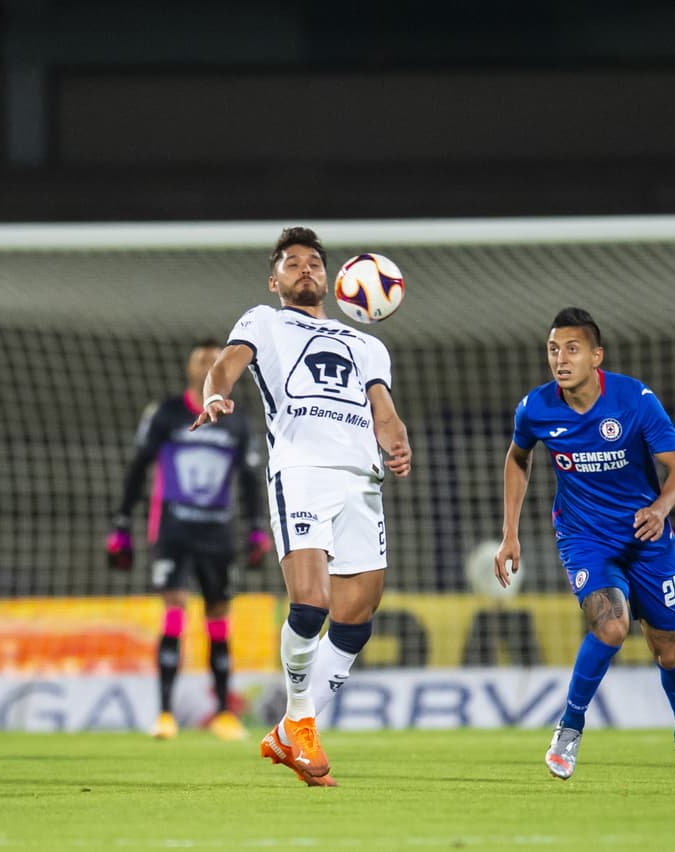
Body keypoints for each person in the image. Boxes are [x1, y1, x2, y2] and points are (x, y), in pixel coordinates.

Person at [190, 226, 412, 788]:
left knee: (356, 615)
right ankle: (301, 718)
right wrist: (216, 393)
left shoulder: (367, 343)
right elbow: (228, 363)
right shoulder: (263, 321)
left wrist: (397, 440)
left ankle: (292, 728)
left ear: (333, 278)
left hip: (361, 480)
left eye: (314, 262)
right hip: (302, 473)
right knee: (310, 605)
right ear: (275, 280)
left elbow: (382, 407)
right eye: (293, 263)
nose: (305, 269)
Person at [494, 307, 675, 786]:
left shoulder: (635, 400)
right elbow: (517, 458)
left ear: (596, 356)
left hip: (645, 538)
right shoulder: (535, 407)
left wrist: (659, 509)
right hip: (584, 539)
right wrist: (510, 533)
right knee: (611, 628)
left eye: (571, 349)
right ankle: (568, 730)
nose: (560, 359)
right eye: (553, 350)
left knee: (670, 649)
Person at [105, 339, 271, 742]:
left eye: (216, 358)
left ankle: (222, 714)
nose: (209, 364)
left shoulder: (237, 420)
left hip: (217, 531)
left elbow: (250, 480)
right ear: (190, 367)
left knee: (218, 617)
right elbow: (138, 467)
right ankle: (164, 714)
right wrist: (122, 524)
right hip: (173, 529)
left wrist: (256, 527)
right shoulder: (167, 413)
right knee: (175, 609)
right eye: (201, 358)